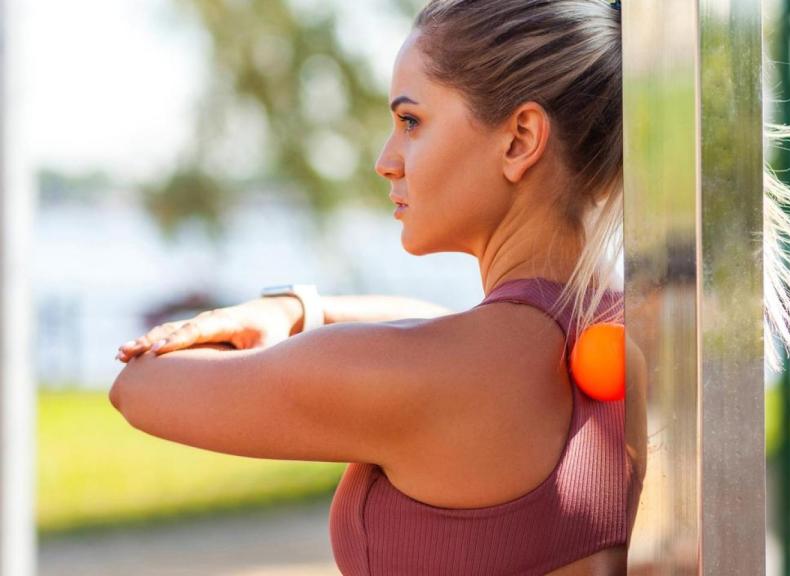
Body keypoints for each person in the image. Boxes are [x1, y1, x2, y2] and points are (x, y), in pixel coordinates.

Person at [111, 1, 644, 574]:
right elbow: (440, 330)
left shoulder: (445, 374)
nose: (385, 161)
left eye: (411, 122)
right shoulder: (615, 337)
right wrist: (300, 309)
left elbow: (140, 386)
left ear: (519, 140)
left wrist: (291, 311)